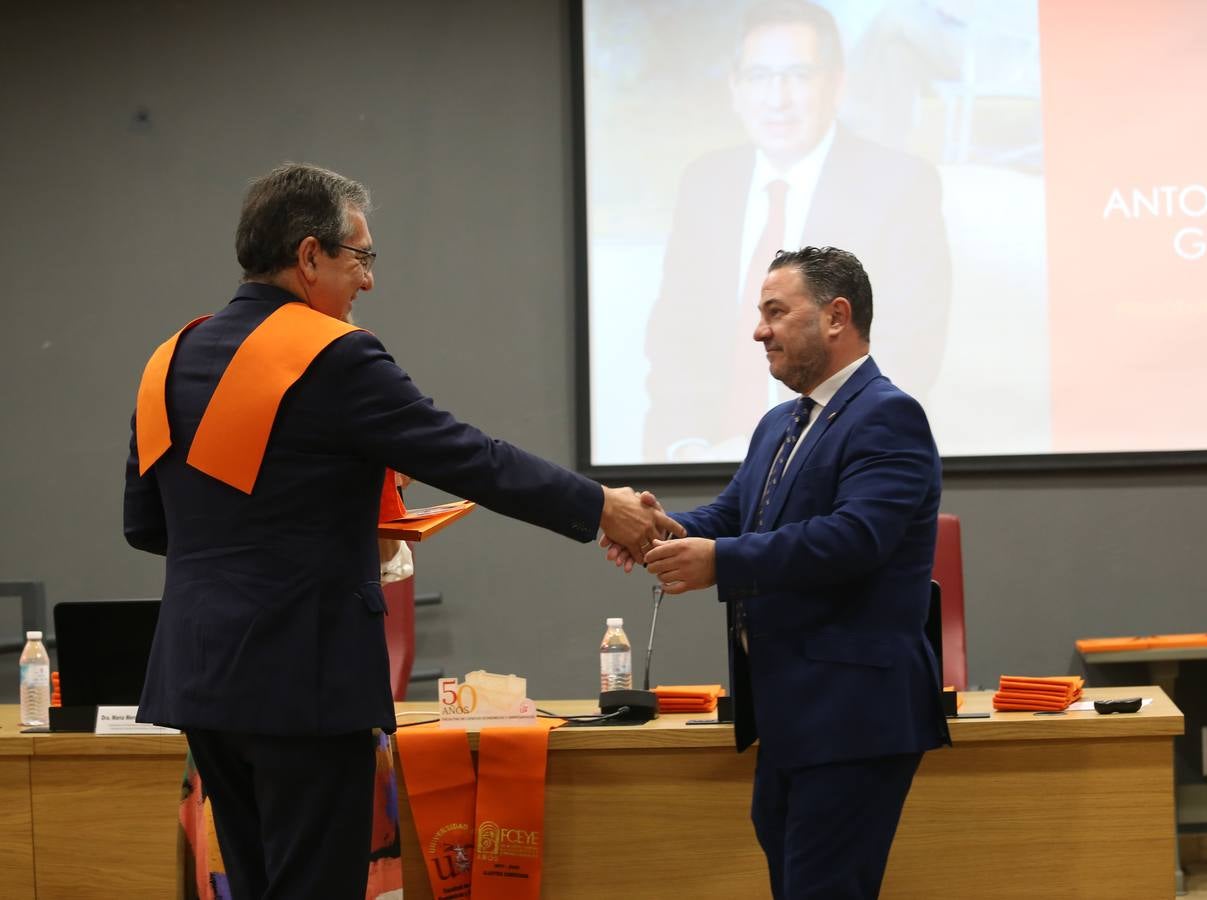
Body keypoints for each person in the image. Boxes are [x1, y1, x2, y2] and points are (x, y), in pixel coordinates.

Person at [123, 162, 681, 900]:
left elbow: (148, 526)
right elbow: (471, 457)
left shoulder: (169, 359)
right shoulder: (333, 356)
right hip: (305, 678)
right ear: (310, 255)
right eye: (361, 256)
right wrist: (601, 506)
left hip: (201, 679)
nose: (369, 281)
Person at [621, 246, 949, 898]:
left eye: (775, 311)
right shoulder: (781, 422)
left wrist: (720, 561)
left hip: (854, 714)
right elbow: (734, 513)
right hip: (790, 712)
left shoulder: (888, 415)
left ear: (836, 317)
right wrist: (651, 529)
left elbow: (856, 539)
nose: (758, 330)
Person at [643, 0, 951, 463]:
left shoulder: (900, 184)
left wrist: (804, 453)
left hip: (833, 465)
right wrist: (687, 445)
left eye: (799, 75)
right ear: (735, 88)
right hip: (699, 461)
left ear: (836, 83)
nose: (777, 97)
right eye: (759, 76)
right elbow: (676, 329)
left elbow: (911, 345)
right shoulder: (705, 182)